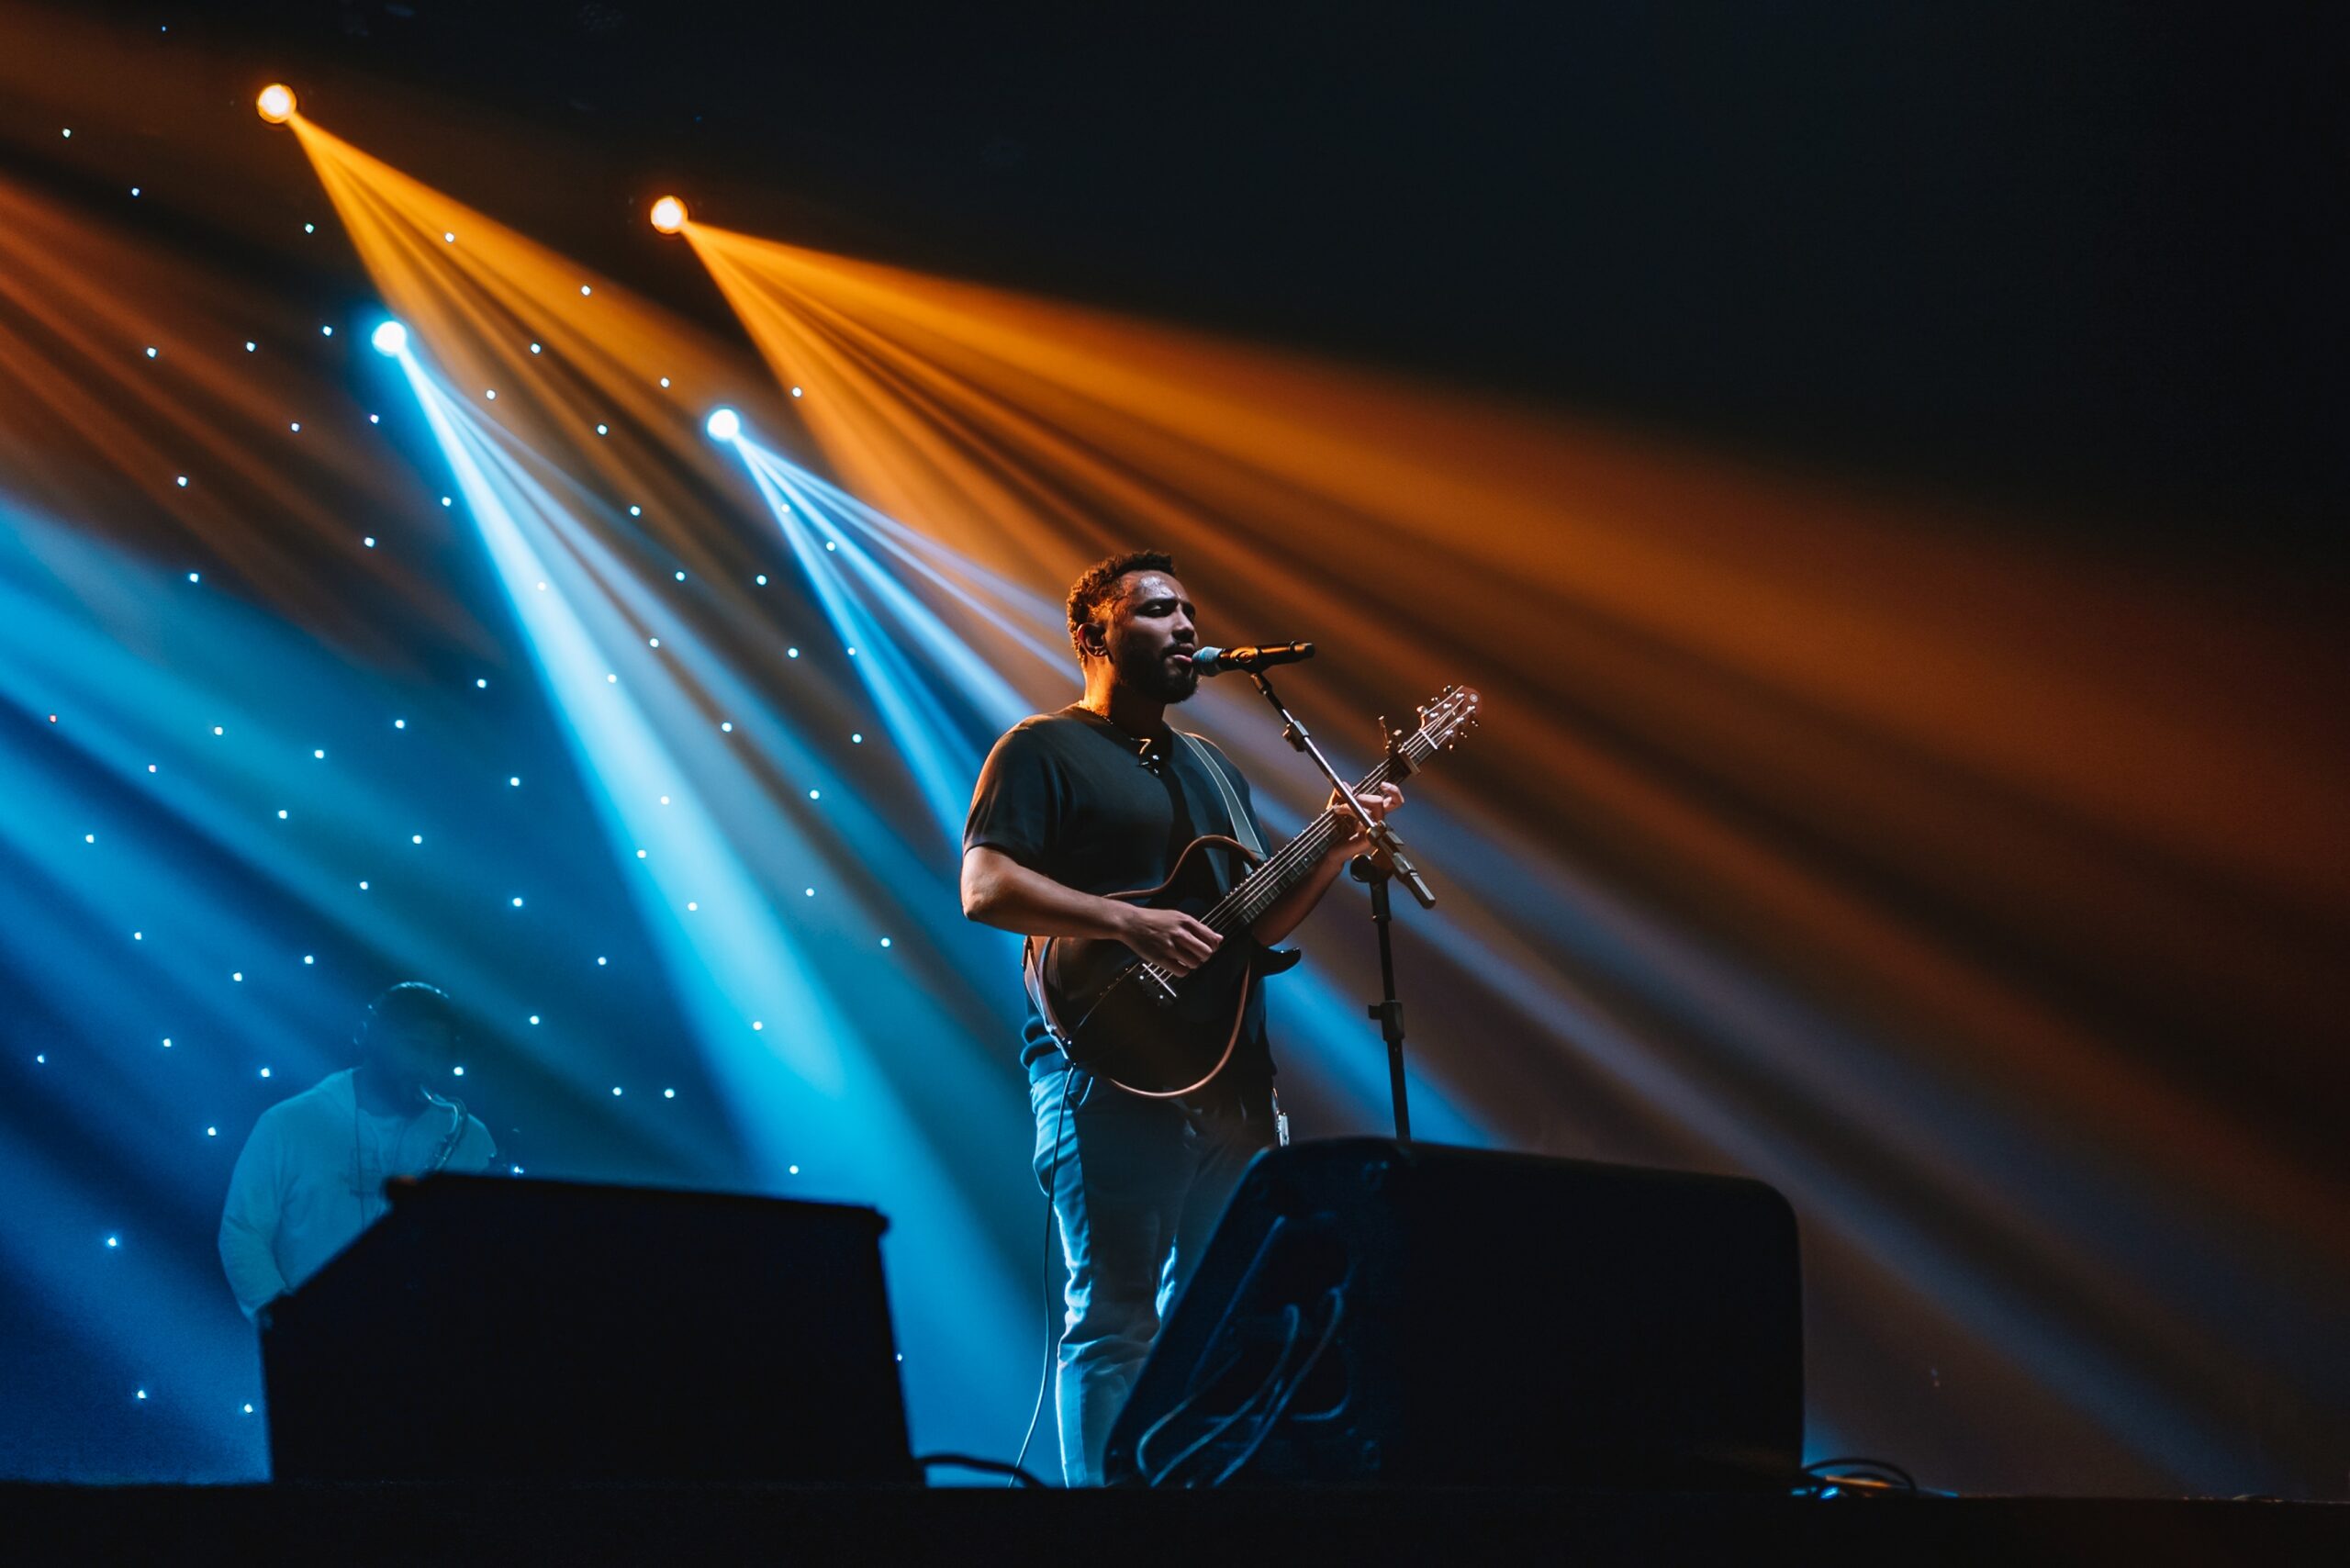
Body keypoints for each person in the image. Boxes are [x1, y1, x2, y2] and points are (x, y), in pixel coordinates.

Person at [961, 549, 1404, 1484]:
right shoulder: (1041, 748)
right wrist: (1125, 918)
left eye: (1191, 612)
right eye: (1159, 611)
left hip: (1228, 1074)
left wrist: (1330, 845)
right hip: (1103, 1065)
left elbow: (1249, 920)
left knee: (1224, 1317)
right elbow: (985, 884)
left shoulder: (1213, 767)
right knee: (1116, 1315)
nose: (1188, 628)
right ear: (1094, 634)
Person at [218, 982, 497, 1321]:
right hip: (312, 1339)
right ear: (371, 1039)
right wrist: (279, 1316)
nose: (427, 1066)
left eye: (439, 1054)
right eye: (415, 1047)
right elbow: (243, 1230)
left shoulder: (469, 1137)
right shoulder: (289, 1123)